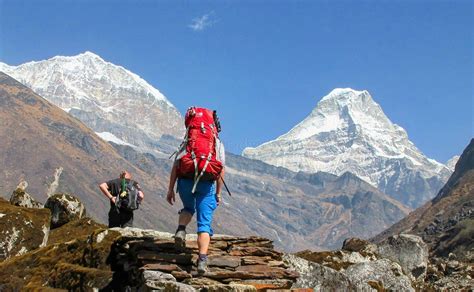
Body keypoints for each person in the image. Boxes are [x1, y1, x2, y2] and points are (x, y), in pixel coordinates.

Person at [167, 113, 226, 275]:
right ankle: (201, 261)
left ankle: (181, 229)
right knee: (204, 224)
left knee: (188, 207)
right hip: (206, 185)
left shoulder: (188, 140)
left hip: (185, 181)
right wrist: (218, 193)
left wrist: (171, 189)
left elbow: (176, 165)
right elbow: (221, 170)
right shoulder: (217, 144)